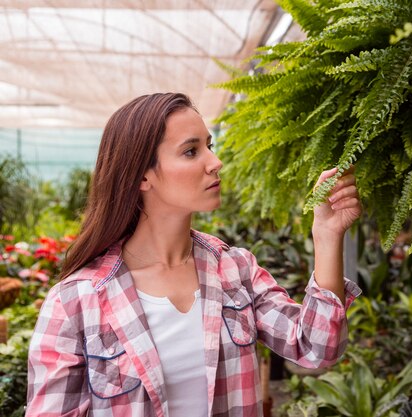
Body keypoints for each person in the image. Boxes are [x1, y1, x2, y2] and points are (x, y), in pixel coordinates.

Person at [26, 93, 362, 417]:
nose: (215, 163)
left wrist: (327, 235)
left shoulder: (235, 270)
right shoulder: (76, 303)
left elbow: (319, 347)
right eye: (191, 151)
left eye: (209, 146)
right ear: (142, 175)